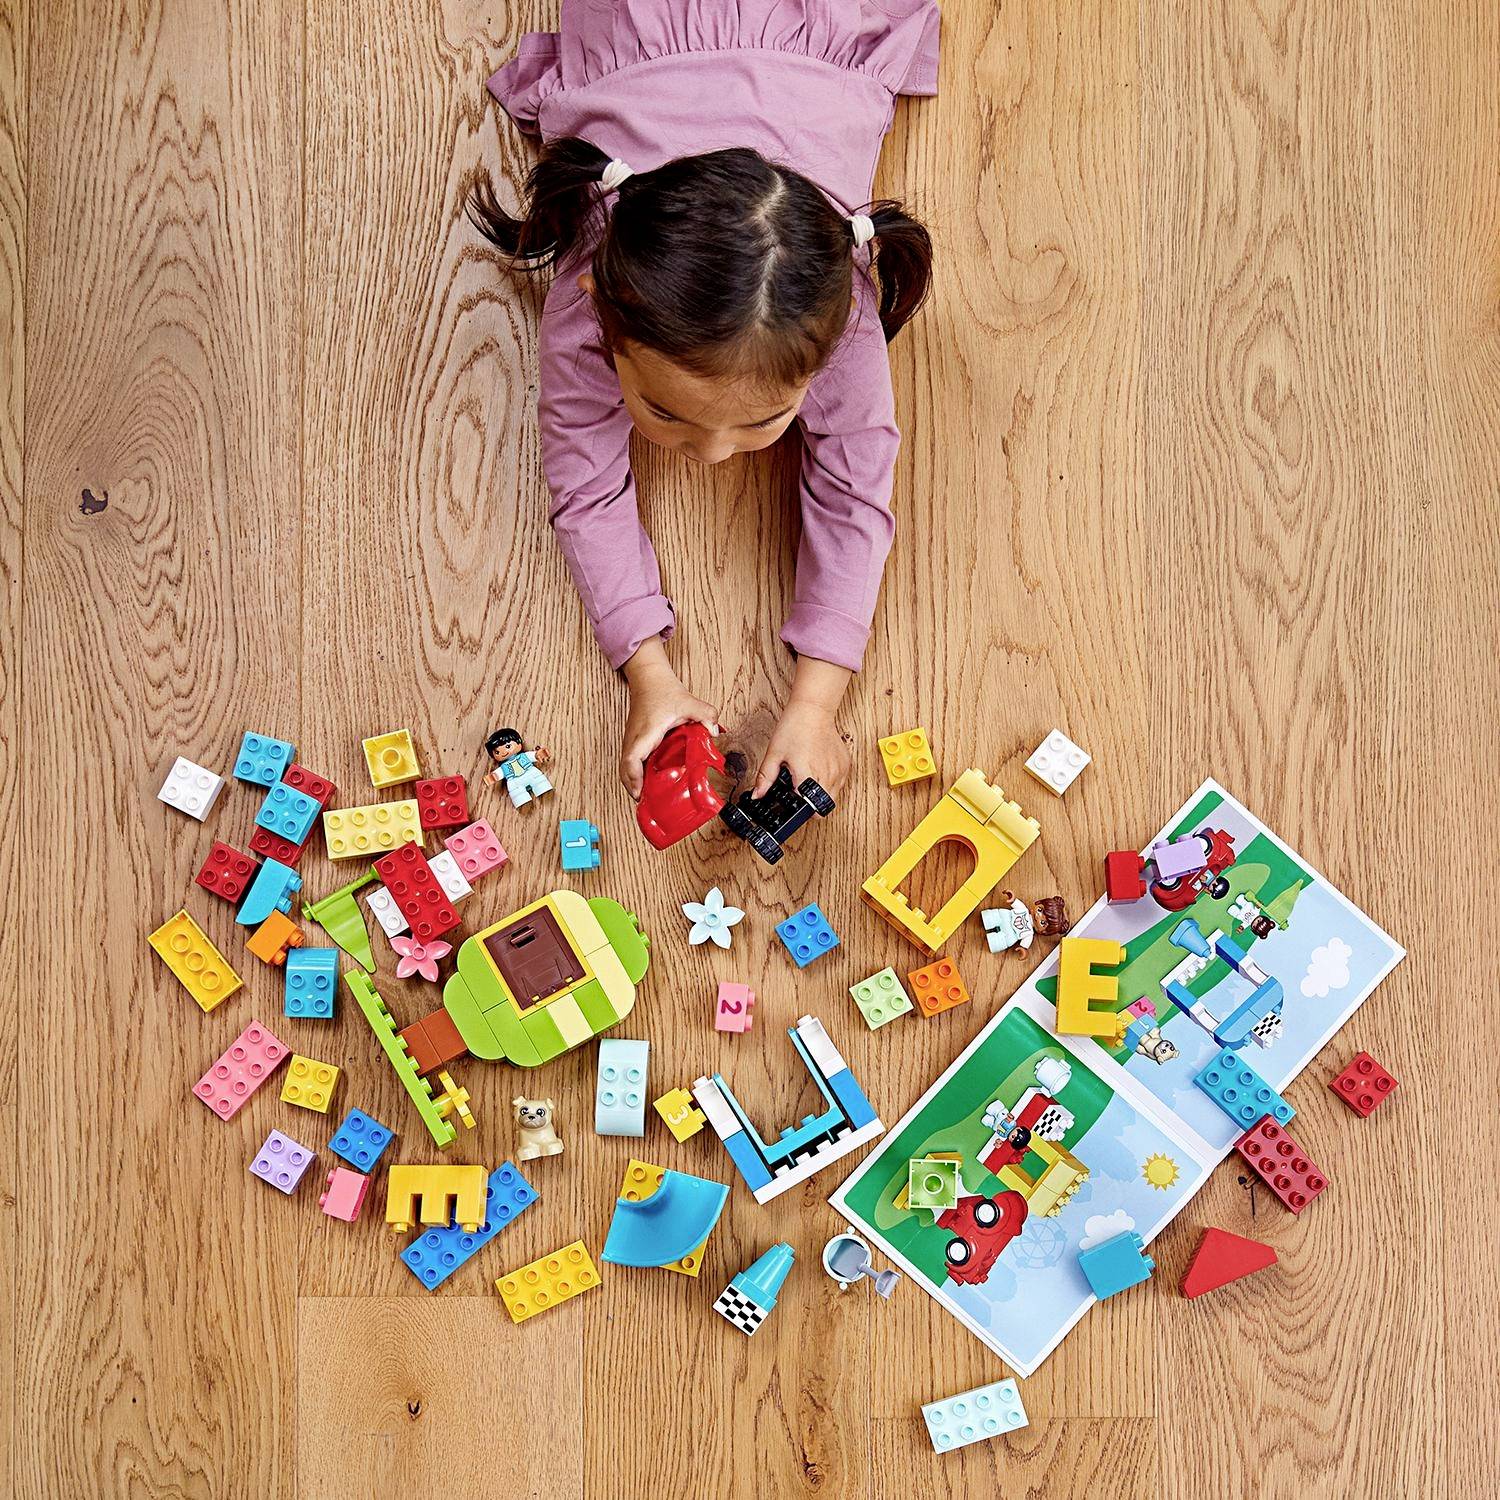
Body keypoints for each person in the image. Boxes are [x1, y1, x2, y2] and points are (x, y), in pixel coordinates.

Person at [469, 0, 940, 799]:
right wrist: (646, 673)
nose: (717, 453)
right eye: (669, 414)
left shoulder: (844, 311)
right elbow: (583, 486)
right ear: (602, 319)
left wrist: (817, 702)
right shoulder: (592, 296)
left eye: (761, 421)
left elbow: (858, 491)